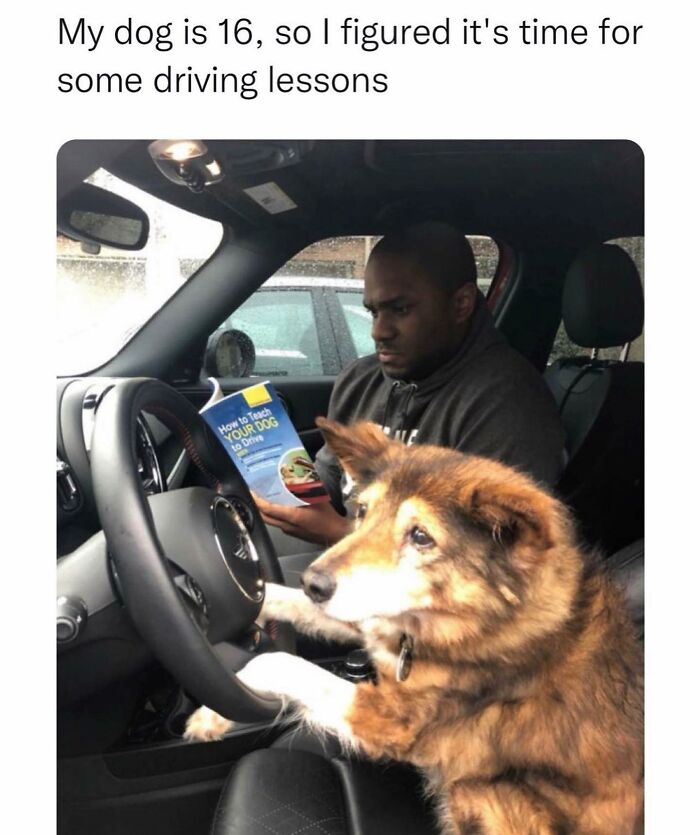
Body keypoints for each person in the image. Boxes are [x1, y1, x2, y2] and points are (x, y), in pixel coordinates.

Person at [256, 222, 565, 548]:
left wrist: (340, 534)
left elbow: (487, 556)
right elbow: (332, 477)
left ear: (461, 304)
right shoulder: (359, 379)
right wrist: (284, 491)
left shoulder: (509, 405)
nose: (378, 331)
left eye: (399, 309)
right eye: (373, 312)